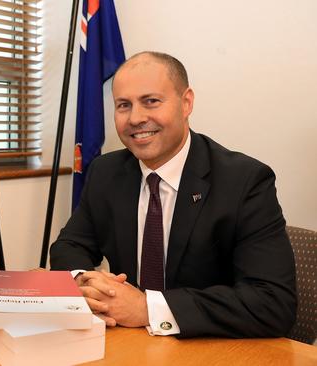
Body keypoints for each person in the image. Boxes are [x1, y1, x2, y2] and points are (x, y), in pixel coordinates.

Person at [50, 51, 296, 338]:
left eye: (151, 101)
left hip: (209, 349)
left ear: (186, 102)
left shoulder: (245, 181)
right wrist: (83, 283)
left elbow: (273, 303)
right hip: (128, 345)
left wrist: (147, 308)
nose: (135, 118)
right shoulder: (107, 172)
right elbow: (69, 246)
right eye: (123, 105)